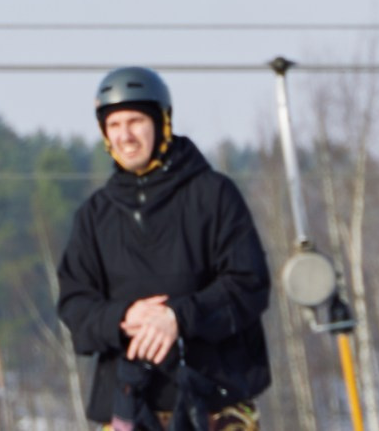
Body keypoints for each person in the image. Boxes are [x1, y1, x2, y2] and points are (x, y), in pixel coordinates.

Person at [57, 68, 271, 431]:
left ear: (162, 124)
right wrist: (122, 317)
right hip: (129, 407)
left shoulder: (213, 195)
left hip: (217, 407)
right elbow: (75, 305)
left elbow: (248, 284)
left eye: (136, 121)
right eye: (114, 125)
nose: (125, 136)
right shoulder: (95, 215)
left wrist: (177, 317)